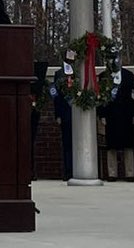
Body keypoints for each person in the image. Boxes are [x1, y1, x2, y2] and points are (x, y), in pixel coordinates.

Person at [98, 52, 134, 182]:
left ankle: (130, 174)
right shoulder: (104, 77)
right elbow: (101, 98)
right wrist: (102, 115)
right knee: (111, 145)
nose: (115, 62)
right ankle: (112, 173)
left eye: (117, 59)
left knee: (128, 145)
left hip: (126, 115)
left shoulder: (129, 76)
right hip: (111, 115)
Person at [51, 49, 76, 180]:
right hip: (65, 113)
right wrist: (58, 115)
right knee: (67, 143)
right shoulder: (59, 74)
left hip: (78, 113)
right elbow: (57, 97)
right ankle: (68, 171)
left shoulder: (78, 73)